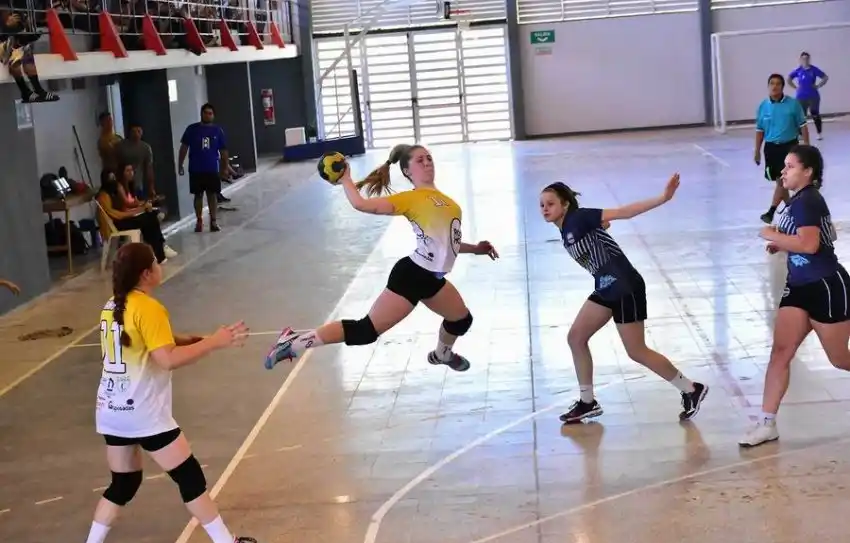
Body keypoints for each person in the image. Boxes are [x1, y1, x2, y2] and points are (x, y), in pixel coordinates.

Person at [74, 242, 268, 543]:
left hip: (111, 410)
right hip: (143, 413)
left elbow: (147, 339)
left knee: (124, 482)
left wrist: (190, 338)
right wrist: (213, 343)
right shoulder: (149, 308)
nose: (160, 265)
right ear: (147, 273)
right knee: (190, 478)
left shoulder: (113, 305)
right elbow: (167, 360)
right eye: (156, 261)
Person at [263, 144, 498, 372]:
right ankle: (292, 342)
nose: (427, 162)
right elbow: (362, 204)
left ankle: (441, 355)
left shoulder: (449, 203)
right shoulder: (410, 198)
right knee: (365, 331)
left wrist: (476, 248)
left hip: (432, 280)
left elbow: (449, 244)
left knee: (461, 320)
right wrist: (346, 180)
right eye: (420, 160)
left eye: (429, 158)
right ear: (407, 171)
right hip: (411, 276)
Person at [539, 174, 708, 424]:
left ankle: (691, 389)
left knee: (636, 351)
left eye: (550, 203)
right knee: (576, 338)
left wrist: (663, 198)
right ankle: (587, 402)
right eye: (542, 205)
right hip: (606, 287)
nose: (545, 209)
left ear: (565, 204)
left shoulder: (579, 217)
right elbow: (598, 233)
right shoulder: (567, 229)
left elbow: (623, 212)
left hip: (625, 286)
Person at [740, 145, 847, 447]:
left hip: (825, 286)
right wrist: (783, 242)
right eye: (784, 167)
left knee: (840, 359)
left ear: (808, 171)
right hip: (798, 286)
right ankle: (766, 423)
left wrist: (771, 236)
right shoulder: (797, 201)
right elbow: (826, 235)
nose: (783, 172)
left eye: (789, 167)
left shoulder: (808, 201)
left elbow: (811, 246)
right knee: (780, 354)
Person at [755, 73, 809, 225]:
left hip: (789, 146)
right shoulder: (763, 106)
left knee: (782, 180)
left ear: (782, 87)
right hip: (771, 148)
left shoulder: (793, 105)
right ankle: (794, 210)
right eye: (772, 83)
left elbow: (803, 126)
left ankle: (771, 211)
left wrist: (807, 147)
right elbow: (759, 130)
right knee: (781, 182)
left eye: (778, 83)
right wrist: (757, 151)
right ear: (768, 86)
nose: (775, 86)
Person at [96, 169, 175, 264]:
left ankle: (159, 249)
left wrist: (141, 207)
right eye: (110, 178)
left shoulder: (113, 191)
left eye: (114, 177)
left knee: (150, 216)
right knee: (148, 219)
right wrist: (134, 212)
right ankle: (159, 252)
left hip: (122, 220)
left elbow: (126, 204)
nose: (113, 180)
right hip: (116, 225)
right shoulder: (103, 195)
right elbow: (116, 215)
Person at [177, 103, 235, 233]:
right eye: (205, 113)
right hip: (195, 168)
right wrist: (180, 164)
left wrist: (225, 167)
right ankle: (199, 220)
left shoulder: (217, 131)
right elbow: (184, 148)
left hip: (211, 168)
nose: (207, 115)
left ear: (213, 116)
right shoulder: (191, 129)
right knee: (198, 195)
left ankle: (213, 221)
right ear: (201, 114)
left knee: (212, 195)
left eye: (210, 113)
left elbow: (224, 150)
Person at [0, 4, 59, 103]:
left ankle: (38, 90)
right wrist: (5, 24)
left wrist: (26, 23)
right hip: (4, 43)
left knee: (25, 51)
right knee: (14, 55)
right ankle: (25, 92)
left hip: (13, 39)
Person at [788, 52, 828, 141]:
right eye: (803, 58)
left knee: (815, 114)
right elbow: (789, 79)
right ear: (800, 60)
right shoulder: (798, 70)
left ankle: (819, 133)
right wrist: (795, 87)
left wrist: (818, 86)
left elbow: (825, 77)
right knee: (801, 116)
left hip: (813, 96)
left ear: (809, 59)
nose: (805, 60)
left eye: (807, 58)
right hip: (801, 97)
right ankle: (801, 134)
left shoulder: (814, 69)